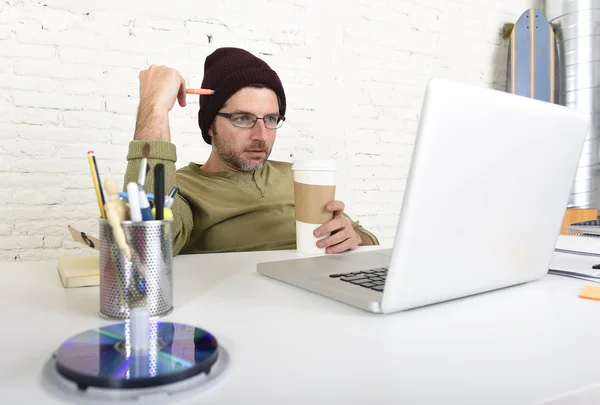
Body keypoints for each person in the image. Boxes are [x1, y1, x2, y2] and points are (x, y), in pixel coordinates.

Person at [122, 47, 379, 255]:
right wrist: (154, 104)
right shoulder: (182, 189)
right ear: (210, 125)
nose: (261, 136)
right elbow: (146, 244)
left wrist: (355, 237)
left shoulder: (296, 175)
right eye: (242, 118)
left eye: (270, 119)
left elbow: (368, 240)